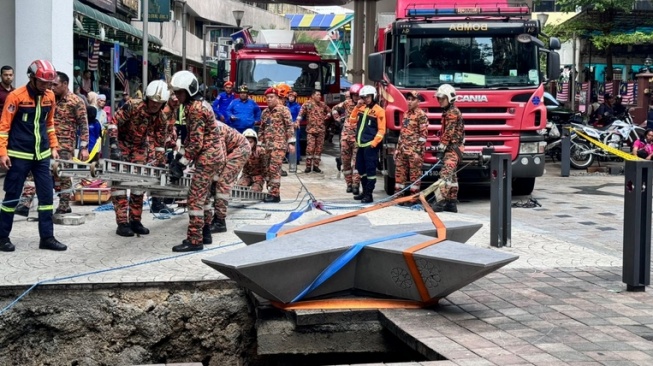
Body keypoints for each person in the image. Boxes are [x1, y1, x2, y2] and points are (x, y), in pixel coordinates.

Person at [0, 59, 67, 252]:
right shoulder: (16, 96)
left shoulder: (49, 97)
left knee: (46, 197)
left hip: (42, 155)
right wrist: (2, 153)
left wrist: (54, 146)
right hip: (19, 155)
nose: (47, 86)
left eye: (49, 83)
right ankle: (2, 236)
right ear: (32, 78)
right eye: (43, 83)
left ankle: (47, 237)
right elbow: (4, 127)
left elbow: (49, 123)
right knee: (12, 197)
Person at [169, 70, 226, 252]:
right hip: (214, 156)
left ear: (189, 90)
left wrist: (180, 164)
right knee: (206, 197)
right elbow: (191, 139)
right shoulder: (201, 105)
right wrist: (180, 156)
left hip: (208, 158)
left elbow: (196, 142)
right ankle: (206, 231)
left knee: (195, 199)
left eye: (179, 92)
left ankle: (195, 240)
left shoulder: (195, 109)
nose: (176, 96)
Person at [108, 79, 171, 237]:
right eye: (153, 102)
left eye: (159, 103)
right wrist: (114, 147)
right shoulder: (133, 106)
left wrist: (161, 163)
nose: (155, 105)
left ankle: (135, 220)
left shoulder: (161, 118)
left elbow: (159, 143)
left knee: (139, 183)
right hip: (121, 144)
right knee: (119, 183)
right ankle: (122, 223)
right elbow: (114, 123)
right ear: (147, 99)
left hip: (139, 147)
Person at [50, 71, 90, 214]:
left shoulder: (76, 101)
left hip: (65, 145)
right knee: (44, 173)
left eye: (55, 84)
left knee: (63, 174)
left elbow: (83, 125)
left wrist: (84, 147)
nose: (52, 87)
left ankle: (64, 204)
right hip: (47, 143)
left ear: (65, 84)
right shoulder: (49, 98)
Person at [209, 122, 251, 233]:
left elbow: (220, 158)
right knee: (214, 180)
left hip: (241, 150)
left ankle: (220, 222)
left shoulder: (216, 129)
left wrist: (215, 177)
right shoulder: (201, 127)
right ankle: (214, 217)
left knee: (222, 183)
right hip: (230, 149)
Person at [258, 87, 296, 203]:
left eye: (271, 97)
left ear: (277, 98)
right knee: (267, 169)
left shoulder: (284, 110)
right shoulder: (265, 112)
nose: (269, 99)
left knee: (274, 169)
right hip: (267, 146)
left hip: (279, 145)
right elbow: (261, 129)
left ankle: (275, 194)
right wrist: (259, 144)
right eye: (267, 98)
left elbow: (289, 126)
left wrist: (291, 143)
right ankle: (271, 191)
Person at [432, 84, 465, 213]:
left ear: (450, 98)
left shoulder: (452, 113)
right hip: (453, 149)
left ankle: (439, 203)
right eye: (438, 98)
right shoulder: (448, 112)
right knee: (452, 178)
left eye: (442, 98)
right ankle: (451, 203)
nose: (439, 100)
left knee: (444, 175)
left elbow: (449, 132)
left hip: (452, 149)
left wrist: (441, 148)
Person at [351, 85, 385, 203]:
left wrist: (374, 143)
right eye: (364, 97)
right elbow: (352, 120)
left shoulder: (379, 111)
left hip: (370, 146)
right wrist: (356, 107)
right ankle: (364, 192)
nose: (366, 99)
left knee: (370, 171)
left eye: (368, 97)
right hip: (361, 145)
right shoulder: (362, 108)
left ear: (373, 96)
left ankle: (369, 194)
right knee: (361, 170)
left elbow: (381, 130)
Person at [394, 91, 428, 200]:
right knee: (400, 175)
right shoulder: (406, 113)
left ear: (418, 101)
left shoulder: (421, 115)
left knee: (415, 177)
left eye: (412, 99)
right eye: (408, 99)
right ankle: (399, 197)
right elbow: (402, 132)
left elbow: (423, 136)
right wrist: (397, 149)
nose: (409, 101)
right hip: (402, 150)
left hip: (414, 152)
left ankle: (413, 199)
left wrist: (417, 153)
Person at [333, 83, 362, 195]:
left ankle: (356, 184)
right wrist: (338, 119)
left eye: (357, 95)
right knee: (345, 162)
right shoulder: (347, 103)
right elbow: (334, 109)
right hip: (345, 137)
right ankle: (349, 184)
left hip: (357, 138)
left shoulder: (364, 106)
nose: (355, 97)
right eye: (354, 95)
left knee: (356, 163)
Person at [297, 90, 331, 173]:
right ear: (313, 96)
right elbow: (301, 114)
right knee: (310, 148)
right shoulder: (307, 104)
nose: (319, 96)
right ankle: (308, 166)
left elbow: (329, 111)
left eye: (320, 95)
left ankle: (316, 166)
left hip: (321, 130)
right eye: (317, 95)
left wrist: (328, 115)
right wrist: (297, 121)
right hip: (311, 131)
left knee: (319, 149)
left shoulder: (323, 104)